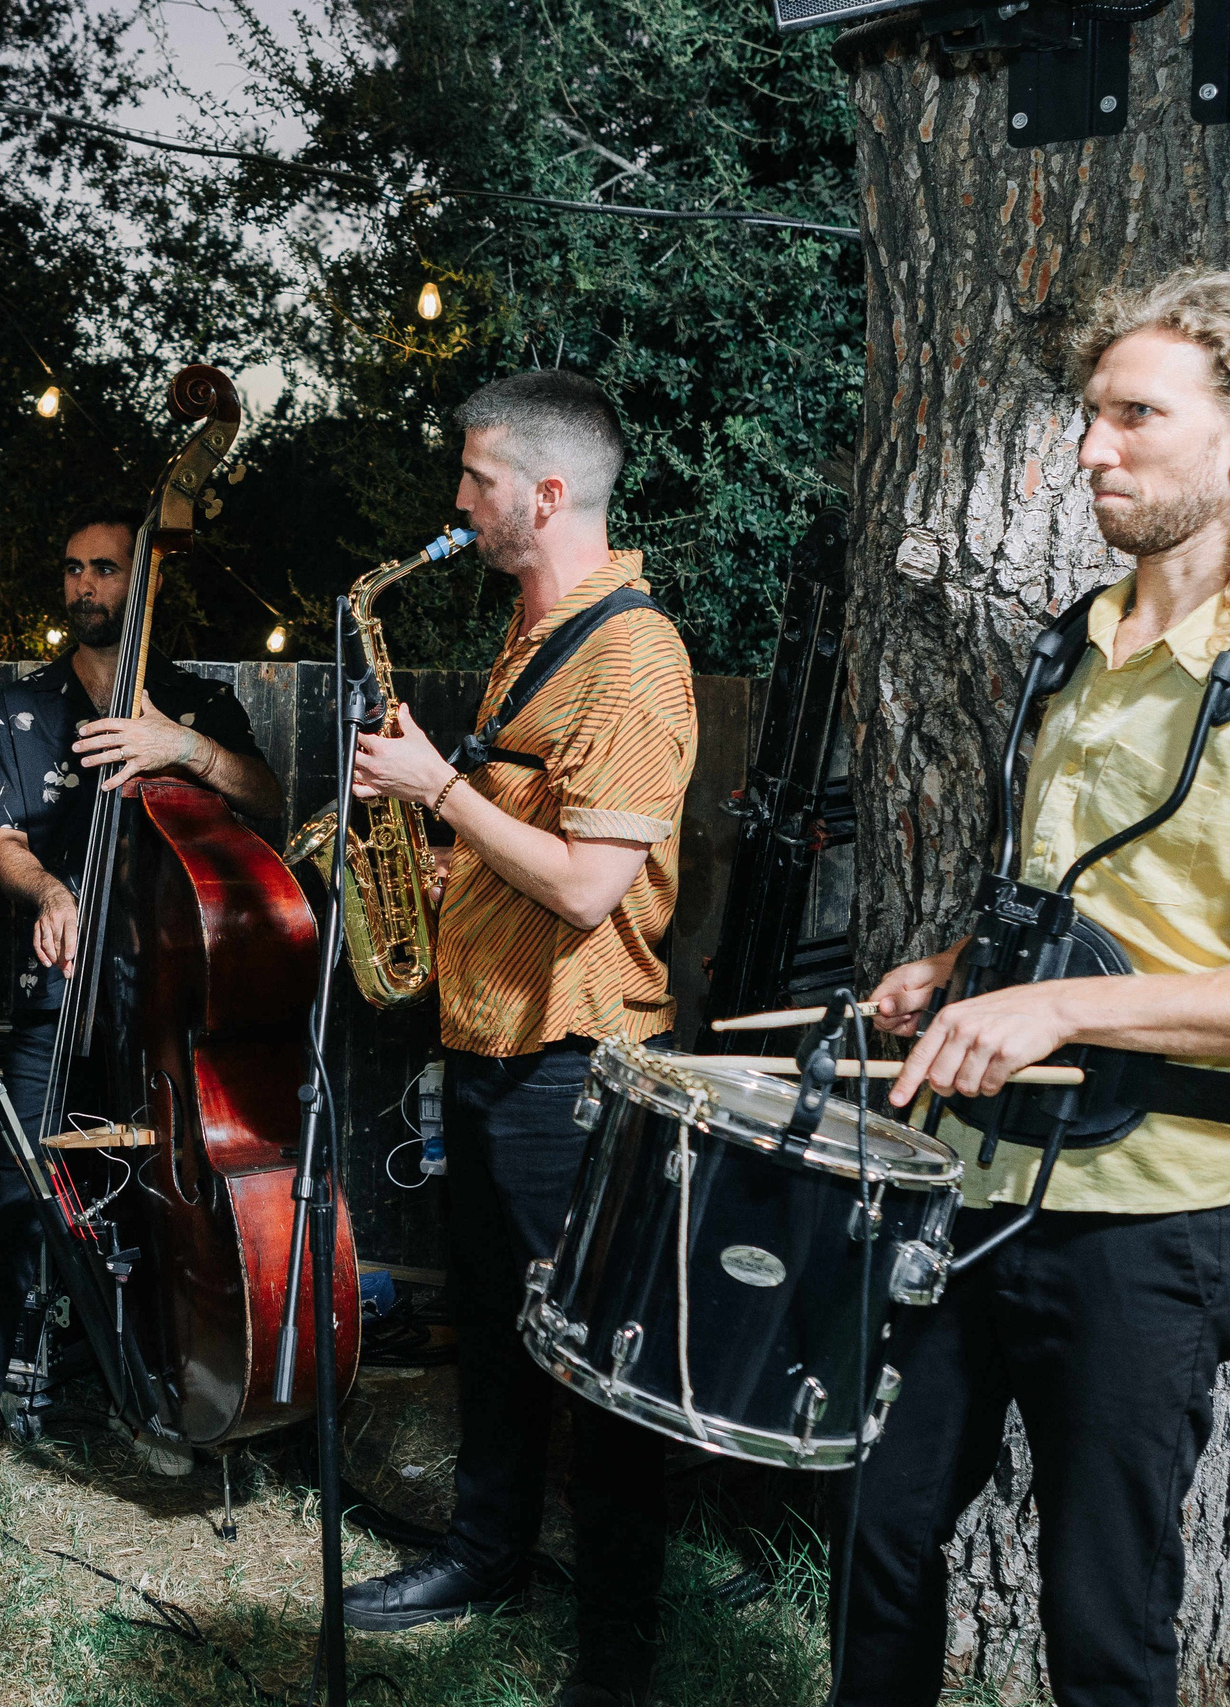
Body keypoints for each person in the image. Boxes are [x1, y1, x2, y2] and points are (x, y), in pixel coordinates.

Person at [838, 271, 1230, 1707]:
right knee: (883, 1535)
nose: (1091, 447)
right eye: (1089, 414)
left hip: (1146, 1218)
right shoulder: (1080, 642)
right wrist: (970, 974)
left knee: (1104, 1617)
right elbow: (1095, 908)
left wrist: (1061, 1012)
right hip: (976, 1184)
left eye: (1133, 415)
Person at [342, 370, 698, 1707]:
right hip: (488, 1042)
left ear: (550, 494)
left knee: (597, 1369)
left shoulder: (634, 655)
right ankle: (483, 1554)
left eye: (478, 480)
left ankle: (618, 1659)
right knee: (490, 1332)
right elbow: (533, 844)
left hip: (578, 1066)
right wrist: (448, 866)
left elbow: (592, 885)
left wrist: (437, 787)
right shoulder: (532, 626)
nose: (459, 501)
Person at [0, 499, 285, 1518]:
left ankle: (183, 1399)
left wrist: (178, 745)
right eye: (74, 569)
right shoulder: (23, 710)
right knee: (19, 1203)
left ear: (143, 582)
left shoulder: (197, 701)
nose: (87, 586)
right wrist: (53, 891)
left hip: (175, 1006)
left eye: (106, 569)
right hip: (58, 990)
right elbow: (2, 843)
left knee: (176, 1204)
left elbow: (267, 797)